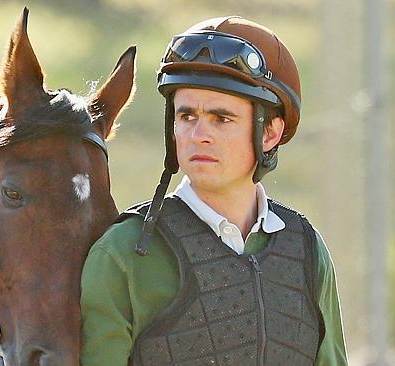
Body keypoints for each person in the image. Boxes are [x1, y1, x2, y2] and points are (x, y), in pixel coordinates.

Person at [80, 16, 348, 366]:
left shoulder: (307, 250)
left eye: (222, 119)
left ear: (270, 134)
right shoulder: (122, 254)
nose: (198, 134)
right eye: (187, 116)